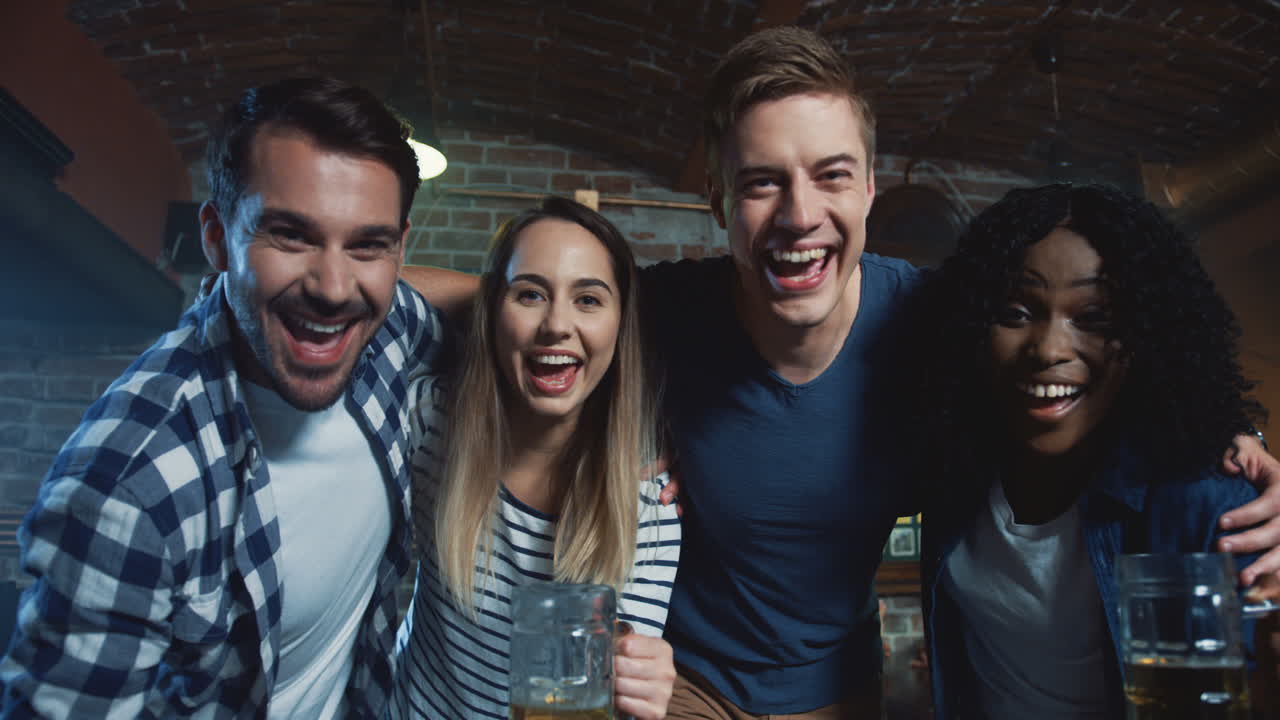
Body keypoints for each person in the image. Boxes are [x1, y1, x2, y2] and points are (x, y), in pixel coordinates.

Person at [400, 26, 1280, 719]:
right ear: (718, 200)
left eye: (830, 176)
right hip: (684, 687)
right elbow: (515, 305)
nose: (800, 215)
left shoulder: (941, 328)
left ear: (867, 190)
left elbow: (1083, 379)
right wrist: (354, 284)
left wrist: (1231, 446)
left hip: (841, 692)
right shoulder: (663, 314)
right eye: (761, 183)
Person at [0, 76, 447, 718]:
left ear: (398, 250)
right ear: (216, 236)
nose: (332, 287)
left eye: (365, 245)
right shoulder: (125, 491)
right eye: (291, 235)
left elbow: (504, 312)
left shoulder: (388, 326)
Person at [918, 183, 1272, 718]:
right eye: (1015, 312)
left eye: (1094, 318)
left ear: (1151, 336)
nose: (1049, 349)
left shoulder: (1206, 502)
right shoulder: (949, 460)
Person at [388, 197, 679, 719]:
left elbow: (595, 698)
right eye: (530, 295)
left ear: (621, 326)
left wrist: (638, 687)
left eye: (588, 299)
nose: (556, 326)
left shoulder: (648, 506)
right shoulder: (433, 422)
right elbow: (357, 288)